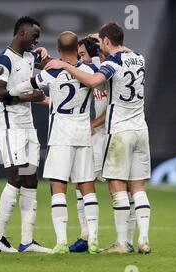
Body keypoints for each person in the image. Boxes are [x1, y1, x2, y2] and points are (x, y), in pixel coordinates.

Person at [45, 22, 151, 254]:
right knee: (134, 186)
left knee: (115, 187)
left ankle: (123, 242)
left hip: (117, 131)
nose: (80, 55)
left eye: (83, 52)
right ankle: (138, 238)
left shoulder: (105, 66)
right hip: (139, 129)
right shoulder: (138, 57)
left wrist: (63, 64)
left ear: (102, 43)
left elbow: (92, 81)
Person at [9, 31, 101, 254]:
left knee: (58, 186)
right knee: (87, 187)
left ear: (58, 50)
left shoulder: (51, 72)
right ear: (77, 48)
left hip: (60, 136)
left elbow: (27, 86)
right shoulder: (89, 71)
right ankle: (94, 240)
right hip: (82, 134)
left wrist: (10, 92)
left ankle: (61, 241)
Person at [0, 16, 51, 253]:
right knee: (15, 176)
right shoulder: (4, 60)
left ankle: (27, 241)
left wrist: (47, 58)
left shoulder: (29, 57)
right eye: (34, 37)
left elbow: (50, 67)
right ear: (21, 34)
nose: (36, 42)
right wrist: (28, 97)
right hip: (9, 124)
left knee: (30, 178)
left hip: (27, 126)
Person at [69, 36, 108, 253]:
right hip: (96, 136)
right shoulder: (92, 70)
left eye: (82, 54)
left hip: (112, 135)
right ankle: (86, 235)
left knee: (122, 186)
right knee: (81, 181)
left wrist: (92, 124)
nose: (79, 58)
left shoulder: (107, 70)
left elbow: (114, 107)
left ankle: (127, 238)